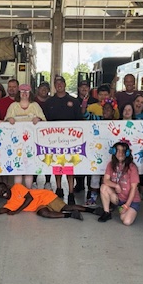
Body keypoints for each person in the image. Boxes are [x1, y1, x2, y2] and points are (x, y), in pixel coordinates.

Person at [43, 75, 82, 203]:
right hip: (54, 140)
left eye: (61, 83)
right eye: (57, 83)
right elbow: (45, 120)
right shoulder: (49, 102)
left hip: (72, 140)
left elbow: (80, 121)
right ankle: (59, 188)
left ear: (65, 84)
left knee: (70, 165)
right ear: (54, 86)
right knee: (57, 164)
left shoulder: (74, 101)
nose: (59, 85)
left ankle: (71, 192)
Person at [4, 83, 46, 188]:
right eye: (22, 91)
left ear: (30, 93)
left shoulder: (35, 106)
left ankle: (28, 191)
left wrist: (39, 119)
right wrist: (9, 119)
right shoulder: (13, 106)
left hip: (31, 144)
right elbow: (6, 121)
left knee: (29, 169)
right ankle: (18, 192)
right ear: (19, 93)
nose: (24, 93)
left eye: (27, 91)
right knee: (18, 169)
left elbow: (44, 121)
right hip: (16, 143)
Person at [0, 182, 96, 220]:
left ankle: (92, 211)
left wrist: (17, 211)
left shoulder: (16, 187)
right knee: (43, 213)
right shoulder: (9, 204)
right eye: (0, 192)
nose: (3, 192)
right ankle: (71, 215)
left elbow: (29, 198)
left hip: (44, 196)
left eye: (3, 189)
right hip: (39, 206)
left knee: (66, 207)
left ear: (8, 187)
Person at [97, 141, 140, 225]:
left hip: (132, 200)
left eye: (123, 151)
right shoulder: (111, 165)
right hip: (118, 198)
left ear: (127, 153)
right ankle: (106, 212)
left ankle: (125, 209)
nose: (120, 153)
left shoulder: (132, 167)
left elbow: (133, 188)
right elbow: (105, 180)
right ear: (114, 152)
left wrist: (127, 205)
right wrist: (116, 185)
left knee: (126, 221)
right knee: (104, 187)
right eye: (118, 150)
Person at [129, 95, 143, 201]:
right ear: (133, 102)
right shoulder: (128, 113)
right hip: (129, 145)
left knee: (141, 168)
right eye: (137, 101)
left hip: (141, 146)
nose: (139, 104)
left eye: (142, 102)